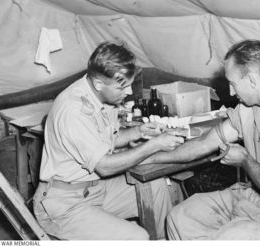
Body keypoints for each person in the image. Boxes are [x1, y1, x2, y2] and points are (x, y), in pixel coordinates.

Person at [33, 41, 185, 240]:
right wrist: (153, 145)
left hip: (95, 190)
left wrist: (139, 131)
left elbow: (107, 140)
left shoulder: (102, 97)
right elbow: (104, 166)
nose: (129, 92)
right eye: (122, 87)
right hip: (64, 204)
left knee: (157, 186)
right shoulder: (74, 110)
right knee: (136, 237)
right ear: (99, 84)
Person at [142, 40, 260, 240]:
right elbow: (204, 144)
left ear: (252, 80)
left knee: (229, 238)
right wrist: (150, 157)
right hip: (256, 198)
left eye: (232, 83)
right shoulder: (249, 108)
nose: (230, 91)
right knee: (180, 217)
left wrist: (245, 160)